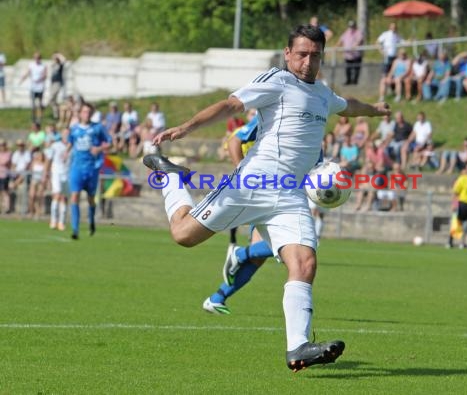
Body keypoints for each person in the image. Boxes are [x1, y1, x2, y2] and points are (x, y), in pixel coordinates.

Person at [142, 24, 391, 371]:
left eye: (315, 55)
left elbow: (348, 106)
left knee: (304, 264)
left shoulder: (322, 93)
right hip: (252, 184)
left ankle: (298, 348)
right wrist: (186, 128)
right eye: (301, 54)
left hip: (291, 196)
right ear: (288, 54)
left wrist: (375, 110)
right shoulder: (276, 81)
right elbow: (231, 104)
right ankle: (169, 176)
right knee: (183, 235)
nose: (308, 62)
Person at [203, 113, 276, 315]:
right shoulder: (269, 118)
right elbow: (234, 141)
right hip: (264, 190)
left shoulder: (312, 121)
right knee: (302, 245)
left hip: (279, 192)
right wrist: (242, 175)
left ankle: (217, 298)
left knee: (259, 256)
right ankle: (239, 254)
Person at [68, 103, 112, 240]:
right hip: (76, 167)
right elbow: (71, 143)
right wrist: (66, 152)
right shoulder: (74, 129)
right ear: (80, 113)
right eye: (84, 112)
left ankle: (91, 221)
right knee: (74, 196)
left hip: (92, 168)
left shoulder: (97, 128)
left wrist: (99, 149)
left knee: (90, 199)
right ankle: (75, 230)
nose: (86, 114)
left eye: (88, 112)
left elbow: (110, 142)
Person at [448, 163, 467, 249]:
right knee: (457, 224)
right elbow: (455, 193)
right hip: (462, 204)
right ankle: (450, 242)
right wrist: (454, 205)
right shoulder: (462, 179)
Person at [45, 129, 69, 230]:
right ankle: (53, 220)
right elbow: (48, 159)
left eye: (68, 134)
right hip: (56, 173)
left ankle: (61, 222)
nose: (66, 136)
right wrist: (45, 173)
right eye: (65, 134)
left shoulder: (72, 147)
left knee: (64, 197)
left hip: (67, 174)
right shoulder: (55, 145)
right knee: (57, 194)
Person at [20, 52, 48, 122]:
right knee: (33, 103)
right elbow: (28, 72)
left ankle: (40, 117)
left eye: (38, 58)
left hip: (40, 87)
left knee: (40, 103)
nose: (37, 59)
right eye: (35, 58)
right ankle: (33, 117)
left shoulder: (43, 66)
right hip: (33, 87)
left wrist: (39, 79)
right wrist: (23, 78)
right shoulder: (31, 65)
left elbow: (45, 75)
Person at [335, 20, 364, 85]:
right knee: (348, 69)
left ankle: (355, 81)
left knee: (356, 68)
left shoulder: (358, 32)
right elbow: (341, 40)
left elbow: (360, 40)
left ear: (355, 26)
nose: (351, 27)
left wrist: (355, 45)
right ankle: (348, 81)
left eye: (353, 26)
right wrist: (336, 46)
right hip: (348, 55)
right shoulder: (346, 32)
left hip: (356, 55)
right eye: (350, 26)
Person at [48, 53, 66, 120]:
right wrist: (54, 56)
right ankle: (56, 115)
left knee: (51, 98)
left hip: (57, 83)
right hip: (52, 83)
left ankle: (57, 110)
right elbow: (51, 59)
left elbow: (64, 60)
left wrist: (58, 55)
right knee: (53, 101)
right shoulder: (53, 65)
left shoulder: (60, 65)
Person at [0, 139, 11, 213]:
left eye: (3, 145)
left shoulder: (8, 153)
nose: (1, 147)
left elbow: (4, 162)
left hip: (4, 175)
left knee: (5, 192)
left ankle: (6, 208)